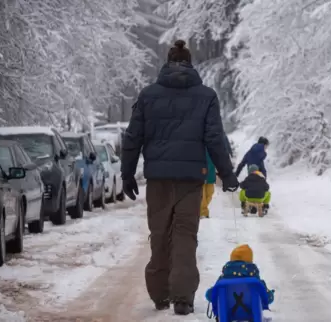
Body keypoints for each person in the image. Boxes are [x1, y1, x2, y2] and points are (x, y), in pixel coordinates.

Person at [120, 39, 239, 316]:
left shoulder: (148, 95)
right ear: (190, 63)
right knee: (186, 235)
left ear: (167, 61)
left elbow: (132, 137)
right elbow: (215, 139)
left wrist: (127, 174)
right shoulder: (206, 96)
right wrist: (227, 173)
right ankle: (182, 298)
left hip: (159, 179)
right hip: (190, 179)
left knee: (160, 233)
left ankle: (160, 295)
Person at [205, 244, 274, 305]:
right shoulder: (255, 280)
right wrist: (270, 293)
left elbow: (210, 296)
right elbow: (268, 299)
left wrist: (211, 291)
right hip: (252, 315)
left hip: (228, 315)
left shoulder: (223, 280)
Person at [200, 150, 215, 218]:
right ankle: (203, 212)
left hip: (211, 173)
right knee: (202, 195)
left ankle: (202, 208)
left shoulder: (212, 146)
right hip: (201, 172)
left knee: (210, 193)